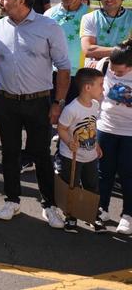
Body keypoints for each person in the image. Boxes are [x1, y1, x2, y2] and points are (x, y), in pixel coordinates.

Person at [0, 0, 70, 228]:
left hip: (38, 101)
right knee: (9, 154)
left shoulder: (49, 27)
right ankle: (11, 200)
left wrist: (58, 103)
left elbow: (63, 68)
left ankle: (49, 205)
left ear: (21, 1)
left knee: (40, 154)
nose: (1, 1)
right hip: (6, 101)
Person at [55, 68, 103, 233]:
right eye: (100, 85)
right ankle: (70, 215)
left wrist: (96, 145)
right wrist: (69, 142)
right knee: (72, 186)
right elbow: (61, 129)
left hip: (90, 156)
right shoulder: (71, 109)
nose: (103, 88)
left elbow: (92, 127)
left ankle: (92, 215)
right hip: (71, 156)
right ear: (88, 88)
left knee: (92, 186)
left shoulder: (95, 105)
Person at [94, 40, 132, 235]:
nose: (115, 74)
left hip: (129, 132)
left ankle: (128, 215)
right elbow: (94, 95)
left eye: (121, 72)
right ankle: (102, 208)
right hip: (106, 128)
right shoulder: (105, 65)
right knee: (103, 171)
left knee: (128, 174)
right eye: (114, 71)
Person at [81, 0, 132, 68]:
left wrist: (102, 56)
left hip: (125, 71)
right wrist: (121, 51)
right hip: (97, 72)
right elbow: (88, 49)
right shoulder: (89, 18)